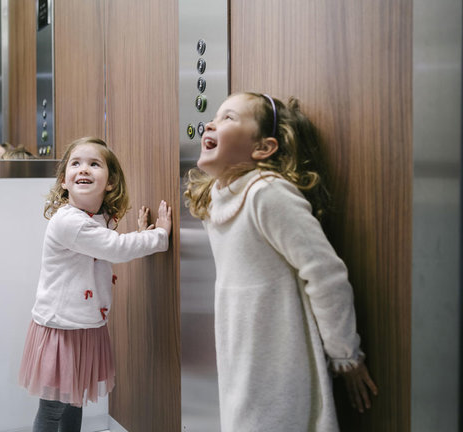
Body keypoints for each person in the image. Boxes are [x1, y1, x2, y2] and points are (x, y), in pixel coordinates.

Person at [184, 92, 378, 432]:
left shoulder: (266, 193)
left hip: (278, 357)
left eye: (229, 118)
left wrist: (345, 353)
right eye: (215, 116)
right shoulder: (216, 199)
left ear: (263, 148)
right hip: (239, 351)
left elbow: (325, 273)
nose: (211, 123)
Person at [19, 137, 172, 432]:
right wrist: (158, 236)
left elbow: (106, 244)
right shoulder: (69, 222)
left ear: (110, 182)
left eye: (94, 164)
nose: (83, 169)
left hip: (83, 324)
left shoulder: (95, 219)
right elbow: (114, 248)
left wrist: (139, 234)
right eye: (75, 164)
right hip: (61, 327)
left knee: (74, 402)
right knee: (53, 408)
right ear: (64, 180)